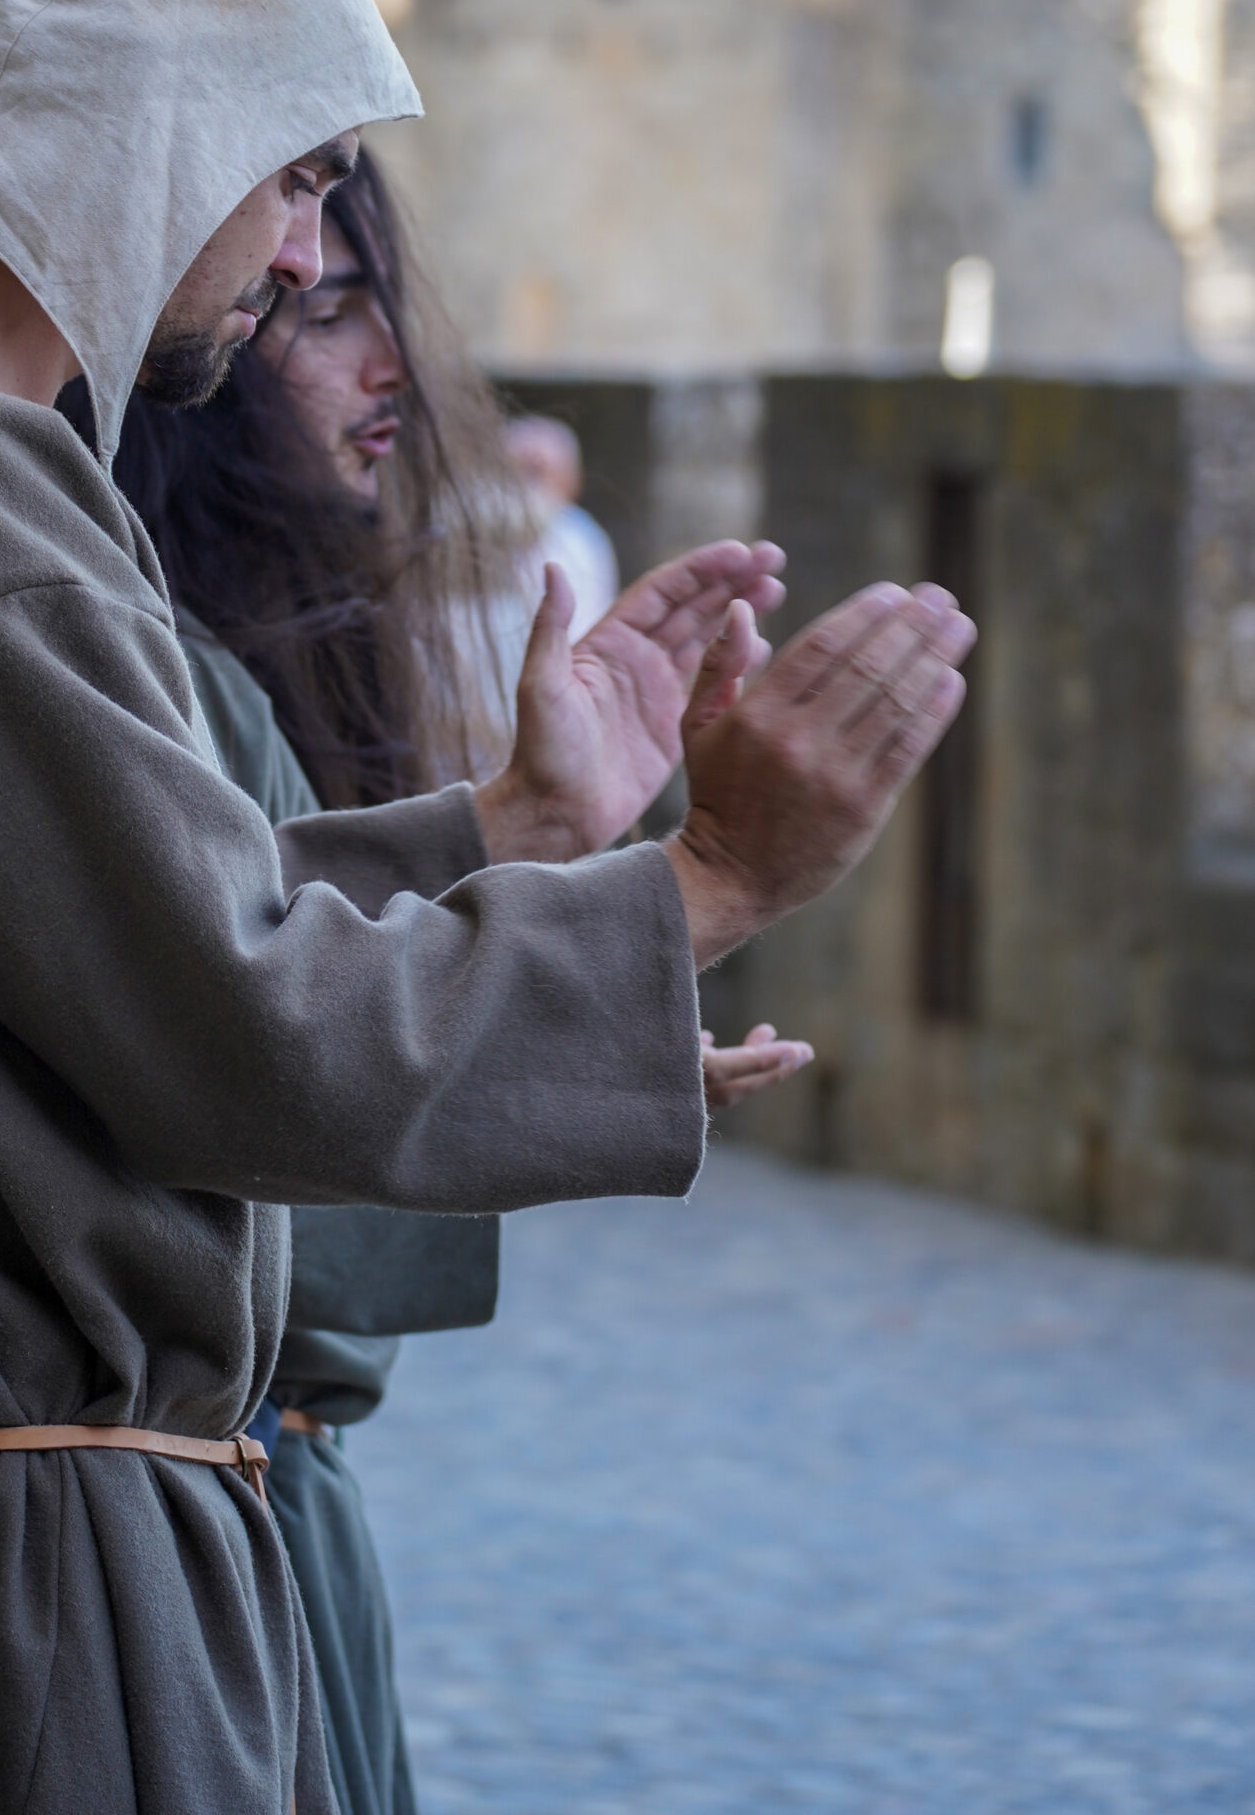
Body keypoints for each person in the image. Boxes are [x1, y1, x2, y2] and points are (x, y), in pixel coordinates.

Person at [0, 0, 973, 1815]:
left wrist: (517, 826)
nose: (315, 247)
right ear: (164, 120)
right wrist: (705, 876)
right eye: (301, 169)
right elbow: (234, 1026)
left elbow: (140, 934)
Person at [110, 150, 814, 1815]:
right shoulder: (155, 677)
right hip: (183, 1531)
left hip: (257, 1510)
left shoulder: (260, 658)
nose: (394, 376)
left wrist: (550, 844)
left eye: (380, 307)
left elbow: (303, 1008)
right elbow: (231, 1118)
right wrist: (685, 896)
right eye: (320, 310)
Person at [505, 412, 621, 640]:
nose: (526, 484)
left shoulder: (581, 538)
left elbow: (588, 622)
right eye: (519, 469)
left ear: (571, 480)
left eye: (536, 471)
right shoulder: (467, 532)